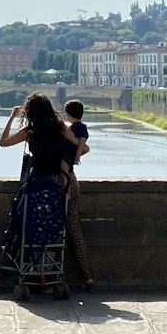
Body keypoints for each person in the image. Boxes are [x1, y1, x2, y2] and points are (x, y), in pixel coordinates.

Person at [63, 100, 95, 291]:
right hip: (73, 180)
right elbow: (86, 148)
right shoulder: (81, 129)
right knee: (74, 230)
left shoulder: (66, 131)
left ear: (68, 114)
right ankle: (87, 276)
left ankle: (52, 275)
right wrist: (78, 152)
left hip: (62, 182)